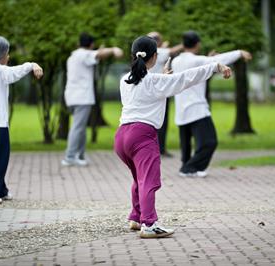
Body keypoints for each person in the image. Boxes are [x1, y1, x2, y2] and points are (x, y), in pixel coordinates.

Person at [114, 36, 231, 238]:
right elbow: (185, 78)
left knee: (138, 179)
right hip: (142, 135)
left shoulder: (124, 80)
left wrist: (163, 77)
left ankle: (136, 217)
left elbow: (147, 85)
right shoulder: (157, 81)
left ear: (133, 56)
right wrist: (215, 66)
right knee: (148, 181)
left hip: (122, 136)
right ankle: (149, 225)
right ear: (155, 56)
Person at [0, 36, 43, 204]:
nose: (9, 57)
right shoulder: (0, 71)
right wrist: (32, 64)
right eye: (8, 53)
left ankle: (0, 190)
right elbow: (14, 73)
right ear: (4, 54)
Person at [172, 31, 252, 177]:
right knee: (210, 142)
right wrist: (239, 52)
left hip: (181, 110)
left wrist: (208, 59)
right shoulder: (197, 60)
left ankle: (186, 166)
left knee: (186, 145)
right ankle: (189, 168)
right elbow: (220, 60)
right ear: (197, 44)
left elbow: (197, 67)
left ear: (183, 45)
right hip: (196, 108)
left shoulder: (175, 61)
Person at [62, 32, 123, 166]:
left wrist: (99, 50)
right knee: (78, 127)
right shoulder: (84, 54)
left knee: (80, 127)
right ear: (91, 44)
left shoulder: (74, 56)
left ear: (79, 43)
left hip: (72, 96)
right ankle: (70, 156)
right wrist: (113, 49)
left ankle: (79, 155)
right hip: (82, 97)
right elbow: (97, 54)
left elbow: (95, 55)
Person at [147, 32, 183, 157]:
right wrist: (185, 44)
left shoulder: (146, 53)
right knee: (162, 121)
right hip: (161, 91)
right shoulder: (159, 53)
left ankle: (152, 148)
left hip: (148, 91)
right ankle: (160, 148)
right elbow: (172, 51)